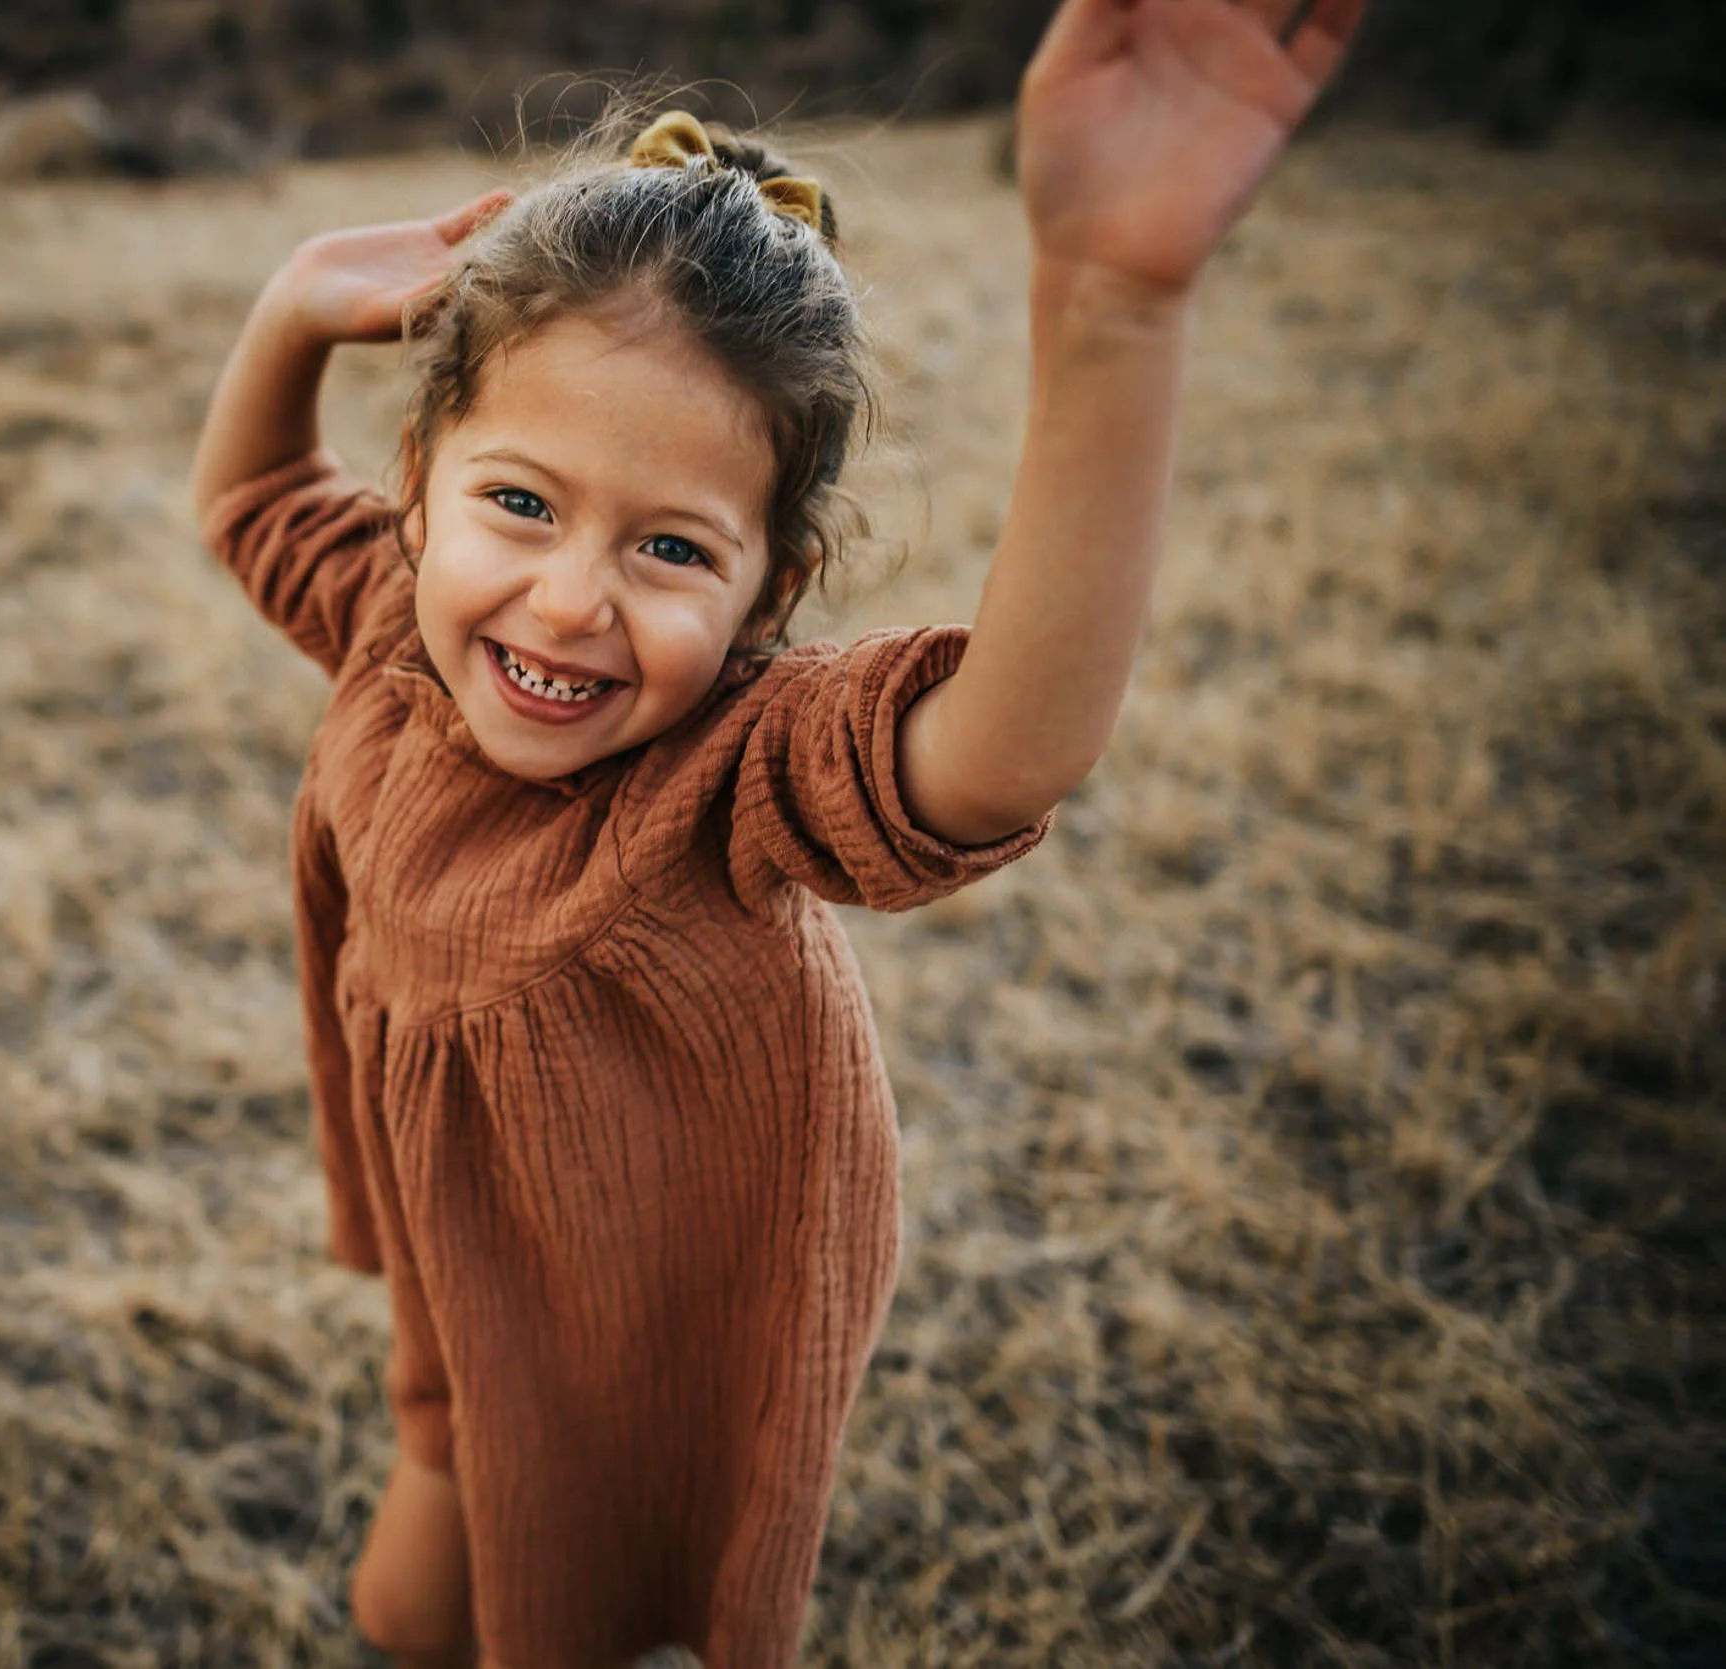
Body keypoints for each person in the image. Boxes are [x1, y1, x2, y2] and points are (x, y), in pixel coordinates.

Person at [187, 3, 1364, 1664]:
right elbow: (244, 505)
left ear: (768, 594)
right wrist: (297, 300)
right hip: (471, 1245)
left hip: (645, 1308)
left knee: (550, 1592)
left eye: (672, 548)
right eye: (518, 502)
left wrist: (1116, 304)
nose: (571, 599)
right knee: (423, 1546)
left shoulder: (732, 771)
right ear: (422, 478)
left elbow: (997, 756)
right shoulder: (394, 620)